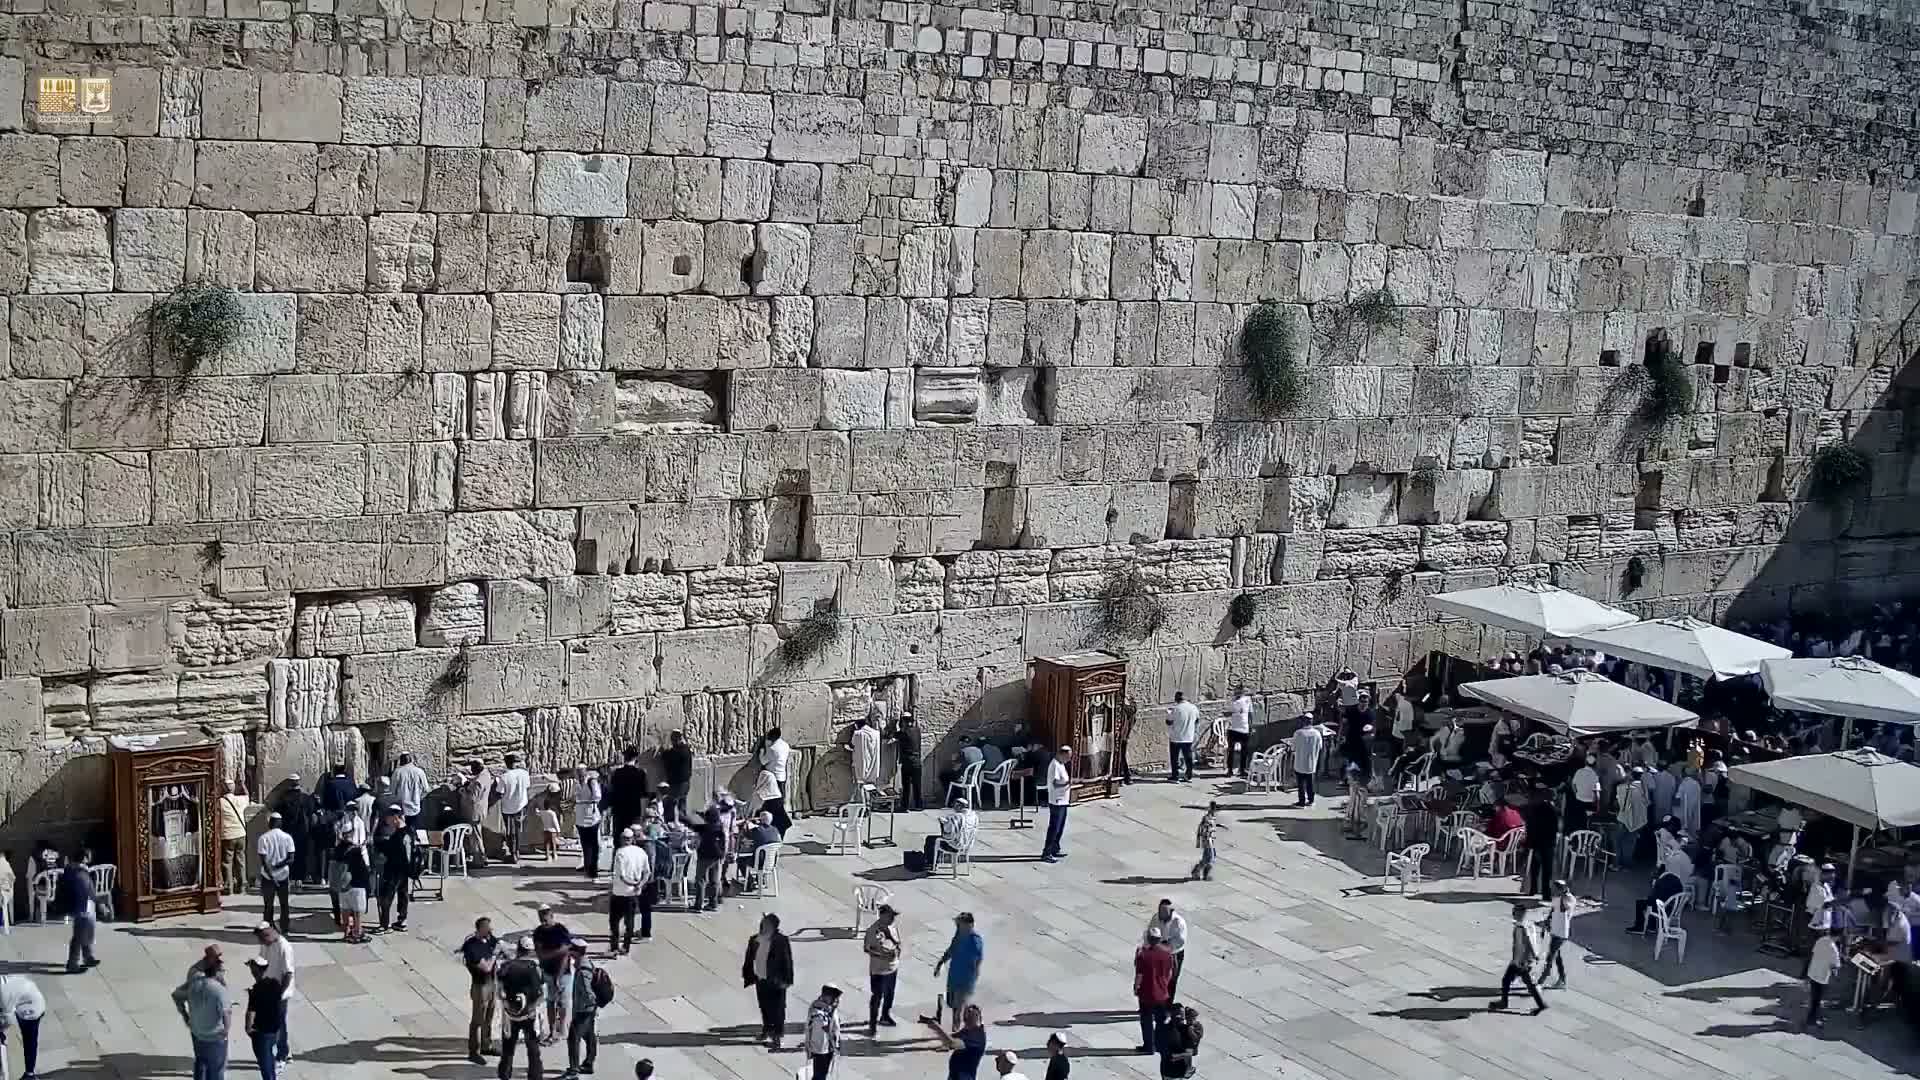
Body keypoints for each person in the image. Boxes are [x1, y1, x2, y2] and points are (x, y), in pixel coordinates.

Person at [172, 945, 232, 1080]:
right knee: (216, 1068)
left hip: (197, 1029)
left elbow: (177, 995)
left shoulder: (206, 971)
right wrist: (226, 1030)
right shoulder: (196, 975)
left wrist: (187, 1017)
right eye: (217, 957)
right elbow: (226, 1012)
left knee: (201, 1061)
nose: (220, 959)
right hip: (213, 1033)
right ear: (209, 957)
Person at [743, 914, 795, 1051]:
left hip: (777, 981)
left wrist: (788, 980)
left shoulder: (781, 941)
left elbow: (787, 960)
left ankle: (777, 1037)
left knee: (777, 1010)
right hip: (761, 978)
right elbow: (749, 958)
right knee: (764, 1007)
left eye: (765, 924)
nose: (762, 925)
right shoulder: (755, 939)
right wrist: (748, 974)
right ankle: (766, 1029)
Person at [1491, 903, 1547, 1014]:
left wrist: (1522, 960)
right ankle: (1541, 1005)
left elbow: (1526, 943)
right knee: (1527, 983)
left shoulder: (1521, 927)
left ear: (1519, 914)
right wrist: (1533, 956)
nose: (1513, 914)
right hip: (1522, 960)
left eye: (1514, 912)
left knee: (1507, 980)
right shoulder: (1527, 924)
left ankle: (1504, 1003)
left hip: (1520, 961)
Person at [252, 922, 296, 1064]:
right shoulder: (266, 943)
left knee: (279, 1024)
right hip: (268, 989)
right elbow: (262, 960)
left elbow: (288, 974)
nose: (261, 942)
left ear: (268, 933)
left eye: (262, 939)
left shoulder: (284, 947)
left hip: (279, 994)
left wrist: (278, 995)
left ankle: (283, 1053)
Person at [934, 912, 985, 1034]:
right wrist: (940, 963)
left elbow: (978, 960)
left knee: (958, 1007)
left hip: (965, 979)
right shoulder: (959, 935)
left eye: (960, 923)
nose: (957, 925)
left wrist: (974, 977)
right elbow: (951, 950)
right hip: (953, 976)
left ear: (969, 924)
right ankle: (961, 1027)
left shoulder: (975, 940)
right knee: (952, 1004)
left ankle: (956, 1031)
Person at [460, 917, 501, 1064]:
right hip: (480, 986)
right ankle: (474, 1051)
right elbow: (486, 967)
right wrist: (496, 955)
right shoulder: (471, 946)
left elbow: (499, 952)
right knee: (478, 1019)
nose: (490, 930)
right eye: (487, 928)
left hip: (492, 983)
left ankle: (486, 1045)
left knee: (489, 1016)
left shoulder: (490, 940)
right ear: (480, 929)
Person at [531, 906, 575, 1041]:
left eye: (546, 917)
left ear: (551, 916)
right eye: (541, 918)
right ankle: (552, 1029)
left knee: (563, 1003)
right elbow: (540, 954)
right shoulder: (538, 932)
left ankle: (562, 1028)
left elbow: (566, 954)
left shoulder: (560, 931)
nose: (543, 921)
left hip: (564, 974)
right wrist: (557, 952)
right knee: (550, 1002)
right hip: (548, 972)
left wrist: (558, 976)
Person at [609, 828, 651, 954]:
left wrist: (632, 884)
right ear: (632, 839)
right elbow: (647, 872)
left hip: (619, 892)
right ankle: (626, 947)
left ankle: (615, 947)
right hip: (633, 894)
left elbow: (621, 876)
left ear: (622, 839)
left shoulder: (620, 852)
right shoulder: (641, 852)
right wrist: (639, 885)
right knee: (630, 921)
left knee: (614, 922)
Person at [242, 957, 286, 1080]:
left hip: (261, 1032)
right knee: (270, 1057)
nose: (251, 970)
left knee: (264, 1062)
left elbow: (251, 1011)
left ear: (255, 969)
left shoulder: (256, 990)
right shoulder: (275, 984)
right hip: (274, 1030)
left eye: (252, 967)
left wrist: (248, 1028)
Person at [1630, 849, 1692, 933]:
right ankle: (1651, 926)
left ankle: (1640, 927)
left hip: (1663, 908)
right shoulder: (1678, 881)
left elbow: (1654, 897)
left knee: (1643, 903)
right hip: (1673, 908)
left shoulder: (1665, 879)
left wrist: (1654, 885)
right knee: (1653, 901)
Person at [56, 849, 98, 973]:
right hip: (82, 907)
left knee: (85, 931)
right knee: (79, 935)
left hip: (78, 906)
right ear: (84, 857)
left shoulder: (70, 868)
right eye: (89, 856)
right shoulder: (80, 873)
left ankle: (87, 957)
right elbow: (87, 890)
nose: (90, 858)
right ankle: (72, 964)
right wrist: (100, 902)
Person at [1133, 926, 1173, 1054]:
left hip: (1146, 993)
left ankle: (1149, 1046)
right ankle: (1160, 1044)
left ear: (1148, 939)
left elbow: (1139, 975)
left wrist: (1136, 987)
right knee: (1161, 1021)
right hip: (1161, 993)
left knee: (1146, 1021)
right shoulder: (1167, 953)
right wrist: (1164, 985)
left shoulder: (1142, 954)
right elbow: (1170, 973)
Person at [863, 903, 902, 1034]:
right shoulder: (873, 931)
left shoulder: (892, 926)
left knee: (890, 994)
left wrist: (897, 950)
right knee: (877, 996)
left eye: (893, 916)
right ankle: (872, 1025)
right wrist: (884, 955)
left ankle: (885, 1015)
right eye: (890, 916)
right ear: (882, 916)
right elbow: (867, 949)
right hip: (879, 970)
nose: (893, 919)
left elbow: (897, 942)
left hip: (893, 967)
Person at [255, 812, 297, 933]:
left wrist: (271, 874)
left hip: (267, 876)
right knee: (284, 904)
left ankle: (267, 927)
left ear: (270, 823)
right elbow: (291, 859)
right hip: (283, 876)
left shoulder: (263, 838)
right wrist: (279, 866)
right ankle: (285, 927)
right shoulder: (288, 837)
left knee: (268, 905)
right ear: (280, 823)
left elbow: (263, 860)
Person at [374, 804, 412, 933]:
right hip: (405, 870)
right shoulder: (409, 831)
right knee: (403, 895)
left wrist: (379, 843)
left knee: (386, 897)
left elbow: (389, 850)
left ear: (395, 817)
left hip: (394, 870)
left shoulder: (397, 836)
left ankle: (385, 925)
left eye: (388, 818)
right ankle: (402, 921)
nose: (386, 821)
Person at [565, 940, 600, 1078]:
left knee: (573, 1038)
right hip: (588, 1009)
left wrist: (590, 1006)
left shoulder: (582, 970)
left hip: (583, 1010)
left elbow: (588, 992)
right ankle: (589, 1063)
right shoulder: (586, 963)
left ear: (576, 952)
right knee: (589, 1035)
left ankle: (574, 1069)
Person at [0, 974, 46, 1080]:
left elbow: (8, 1019)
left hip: (32, 1006)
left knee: (29, 1038)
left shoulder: (4, 994)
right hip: (24, 995)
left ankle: (30, 1075)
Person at [1521, 786, 1559, 899]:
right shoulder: (1551, 809)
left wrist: (1529, 844)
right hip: (1547, 842)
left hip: (1535, 841)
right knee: (1547, 869)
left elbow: (1530, 827)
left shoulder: (1531, 809)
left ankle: (1533, 889)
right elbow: (1554, 828)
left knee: (1534, 867)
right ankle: (1546, 893)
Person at [1146, 900, 1189, 998]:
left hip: (1173, 954)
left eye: (1164, 911)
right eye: (1160, 910)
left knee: (1172, 979)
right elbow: (1150, 932)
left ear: (1171, 911)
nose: (1162, 913)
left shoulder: (1178, 922)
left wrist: (1166, 946)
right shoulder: (1156, 918)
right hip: (1158, 952)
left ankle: (1168, 1004)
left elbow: (1180, 941)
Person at [607, 747, 650, 838]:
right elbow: (644, 796)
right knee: (634, 838)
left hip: (619, 811)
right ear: (635, 758)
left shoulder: (617, 773)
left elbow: (611, 793)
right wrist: (643, 815)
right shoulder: (641, 773)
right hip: (634, 810)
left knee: (619, 838)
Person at [926, 797, 980, 869]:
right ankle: (935, 861)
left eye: (954, 806)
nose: (954, 808)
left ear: (959, 806)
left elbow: (948, 833)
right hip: (968, 844)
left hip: (955, 845)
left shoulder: (957, 817)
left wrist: (943, 823)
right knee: (936, 839)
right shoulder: (974, 816)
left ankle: (931, 864)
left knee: (931, 840)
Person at [1538, 880, 1574, 990]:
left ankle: (1541, 981)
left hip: (1561, 933)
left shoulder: (1569, 898)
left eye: (1555, 888)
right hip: (1555, 930)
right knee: (1557, 957)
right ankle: (1562, 979)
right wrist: (1546, 923)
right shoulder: (1557, 897)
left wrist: (1562, 894)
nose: (1552, 890)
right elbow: (1553, 911)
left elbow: (1564, 909)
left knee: (1550, 957)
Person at [458, 763, 494, 869]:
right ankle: (482, 858)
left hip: (474, 811)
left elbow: (472, 797)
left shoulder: (479, 781)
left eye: (473, 770)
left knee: (475, 836)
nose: (472, 772)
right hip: (479, 810)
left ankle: (478, 860)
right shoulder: (485, 775)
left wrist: (463, 790)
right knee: (477, 835)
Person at [803, 984, 842, 1080]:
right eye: (834, 997)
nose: (836, 1000)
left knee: (823, 1073)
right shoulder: (818, 1011)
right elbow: (823, 1027)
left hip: (828, 1047)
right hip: (820, 1048)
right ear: (826, 996)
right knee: (819, 1075)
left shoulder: (830, 1007)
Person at [570, 766, 603, 879]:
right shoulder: (576, 783)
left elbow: (597, 796)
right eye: (577, 772)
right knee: (585, 844)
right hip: (580, 817)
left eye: (581, 772)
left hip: (591, 816)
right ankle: (587, 866)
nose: (579, 774)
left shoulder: (591, 782)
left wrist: (586, 801)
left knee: (594, 844)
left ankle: (593, 868)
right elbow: (574, 796)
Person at [758, 728, 793, 834]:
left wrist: (762, 751)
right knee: (775, 804)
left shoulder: (772, 748)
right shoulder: (785, 745)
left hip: (772, 779)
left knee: (772, 805)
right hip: (782, 777)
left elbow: (763, 761)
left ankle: (783, 824)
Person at [1805, 925, 1840, 1029]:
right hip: (1822, 977)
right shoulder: (1833, 948)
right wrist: (1836, 976)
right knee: (1817, 1000)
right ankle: (1811, 1020)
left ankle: (1816, 1017)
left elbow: (1813, 953)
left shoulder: (1820, 940)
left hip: (1813, 972)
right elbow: (1835, 965)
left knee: (1814, 998)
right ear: (1838, 936)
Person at [888, 711, 924, 809]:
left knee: (906, 785)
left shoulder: (903, 732)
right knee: (917, 785)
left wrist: (893, 725)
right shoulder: (917, 730)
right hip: (917, 761)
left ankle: (904, 806)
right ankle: (918, 805)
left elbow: (891, 736)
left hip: (908, 762)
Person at [499, 754, 532, 864]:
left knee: (510, 832)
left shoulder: (504, 776)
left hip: (508, 807)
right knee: (518, 830)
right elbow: (527, 787)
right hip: (521, 805)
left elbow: (500, 792)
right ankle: (517, 851)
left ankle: (513, 854)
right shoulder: (525, 773)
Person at [1614, 768, 1650, 866]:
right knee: (1630, 843)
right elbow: (1647, 803)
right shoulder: (1643, 788)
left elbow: (1617, 804)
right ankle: (1627, 864)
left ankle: (1617, 864)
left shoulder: (1622, 787)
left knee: (1617, 841)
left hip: (1623, 818)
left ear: (1631, 775)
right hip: (1638, 820)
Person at [219, 785, 251, 895]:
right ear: (233, 789)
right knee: (240, 861)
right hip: (241, 833)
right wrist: (242, 784)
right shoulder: (240, 800)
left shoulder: (221, 801)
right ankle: (242, 887)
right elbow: (247, 795)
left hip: (228, 834)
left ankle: (229, 888)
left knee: (227, 862)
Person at [1042, 746, 1071, 862]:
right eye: (1067, 757)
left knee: (1060, 827)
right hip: (1056, 801)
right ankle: (1046, 853)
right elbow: (1054, 784)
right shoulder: (1054, 765)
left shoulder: (1061, 764)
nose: (1068, 760)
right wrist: (1067, 784)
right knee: (1054, 827)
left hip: (1063, 801)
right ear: (1061, 754)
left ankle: (1055, 848)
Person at [339, 837, 371, 943]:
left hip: (344, 887)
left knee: (345, 911)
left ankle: (347, 933)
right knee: (358, 912)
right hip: (358, 886)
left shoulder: (341, 854)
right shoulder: (357, 856)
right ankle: (357, 932)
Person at [693, 808, 727, 911]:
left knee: (700, 880)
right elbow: (724, 843)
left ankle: (698, 905)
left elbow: (695, 828)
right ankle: (713, 904)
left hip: (704, 856)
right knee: (714, 881)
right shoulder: (720, 828)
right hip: (717, 856)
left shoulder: (704, 828)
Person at [1157, 1005, 1201, 1079]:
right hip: (1174, 1071)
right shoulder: (1186, 1030)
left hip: (1169, 1070)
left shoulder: (1162, 1029)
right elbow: (1191, 1053)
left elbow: (1191, 1051)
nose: (1182, 1018)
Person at [945, 1004, 987, 1080]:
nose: (966, 1018)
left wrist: (937, 1028)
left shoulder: (977, 1036)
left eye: (970, 1016)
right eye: (966, 1014)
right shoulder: (966, 1031)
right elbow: (950, 1037)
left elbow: (952, 1043)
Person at [1165, 692, 1200, 783]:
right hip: (1188, 736)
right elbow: (1197, 720)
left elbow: (1169, 721)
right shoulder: (1193, 708)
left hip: (1176, 737)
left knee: (1174, 758)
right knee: (1188, 757)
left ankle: (1175, 776)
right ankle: (1188, 776)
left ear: (1177, 698)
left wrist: (1168, 714)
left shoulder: (1175, 709)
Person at [660, 733, 693, 824]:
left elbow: (666, 756)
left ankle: (676, 826)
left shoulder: (678, 751)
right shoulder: (686, 749)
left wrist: (663, 750)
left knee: (672, 806)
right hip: (685, 783)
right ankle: (684, 825)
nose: (672, 743)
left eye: (673, 740)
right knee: (682, 806)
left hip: (678, 784)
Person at [392, 753, 429, 833]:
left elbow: (392, 790)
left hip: (401, 807)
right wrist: (418, 798)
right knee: (413, 830)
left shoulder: (397, 772)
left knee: (402, 832)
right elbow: (426, 790)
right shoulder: (419, 772)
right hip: (415, 807)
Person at [1291, 715, 1323, 806]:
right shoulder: (1317, 733)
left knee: (1300, 784)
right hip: (1311, 763)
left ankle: (1301, 801)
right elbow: (1320, 747)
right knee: (1310, 783)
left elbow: (1293, 747)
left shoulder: (1298, 733)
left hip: (1299, 763)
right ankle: (1311, 800)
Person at [1222, 688, 1254, 778]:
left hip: (1244, 728)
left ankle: (1242, 770)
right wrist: (1232, 712)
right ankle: (1230, 770)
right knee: (1231, 750)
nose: (1237, 694)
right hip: (1233, 728)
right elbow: (1227, 713)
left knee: (1244, 751)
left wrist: (1251, 727)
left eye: (1239, 692)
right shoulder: (1232, 701)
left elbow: (1250, 714)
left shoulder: (1247, 700)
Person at [1191, 802, 1226, 881]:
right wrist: (1201, 841)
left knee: (1206, 858)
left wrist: (1219, 826)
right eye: (1215, 810)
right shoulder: (1207, 818)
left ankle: (1196, 872)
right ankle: (1205, 875)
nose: (1216, 812)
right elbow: (1202, 829)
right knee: (1211, 858)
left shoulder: (1211, 818)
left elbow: (1211, 825)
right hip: (1207, 840)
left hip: (1210, 840)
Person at [1568, 755, 1600, 833]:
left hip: (1579, 801)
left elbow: (1573, 785)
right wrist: (1597, 805)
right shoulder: (1595, 775)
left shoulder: (1579, 772)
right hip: (1590, 804)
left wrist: (1576, 794)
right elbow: (1597, 792)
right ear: (1595, 764)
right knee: (1589, 826)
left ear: (1586, 762)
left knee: (1579, 824)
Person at [850, 715, 883, 790]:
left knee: (861, 783)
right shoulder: (876, 733)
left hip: (862, 765)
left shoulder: (858, 733)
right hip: (873, 764)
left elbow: (853, 743)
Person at [538, 789, 564, 862]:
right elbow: (555, 822)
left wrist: (537, 810)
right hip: (552, 831)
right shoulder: (552, 813)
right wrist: (558, 830)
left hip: (545, 830)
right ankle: (554, 854)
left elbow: (538, 813)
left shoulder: (543, 812)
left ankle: (547, 855)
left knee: (546, 843)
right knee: (553, 843)